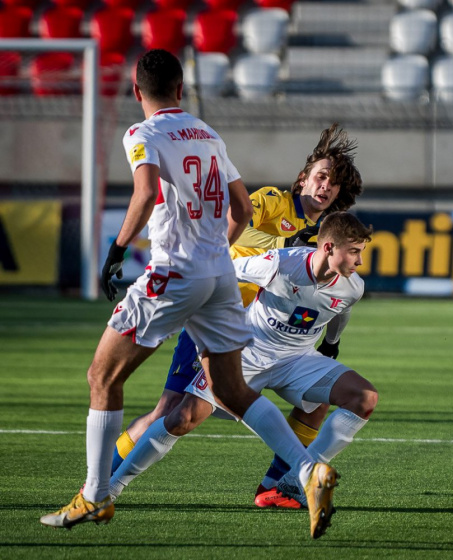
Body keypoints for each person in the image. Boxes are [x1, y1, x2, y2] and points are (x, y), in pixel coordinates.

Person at [40, 50, 337, 540]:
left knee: (102, 375)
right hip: (219, 274)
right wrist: (215, 250)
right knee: (232, 392)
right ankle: (309, 472)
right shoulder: (207, 133)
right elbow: (240, 206)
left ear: (138, 92)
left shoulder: (142, 133)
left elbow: (145, 193)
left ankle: (95, 496)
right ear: (180, 88)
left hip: (173, 272)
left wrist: (115, 252)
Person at [107, 124, 364, 510]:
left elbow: (340, 296)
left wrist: (330, 342)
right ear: (303, 178)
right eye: (320, 176)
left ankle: (276, 486)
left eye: (333, 183)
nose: (325, 186)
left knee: (315, 403)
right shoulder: (274, 202)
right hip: (217, 318)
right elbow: (232, 222)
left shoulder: (329, 238)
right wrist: (282, 244)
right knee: (171, 413)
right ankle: (102, 482)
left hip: (265, 338)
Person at [109, 212, 377, 539]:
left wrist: (332, 344)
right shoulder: (279, 264)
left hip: (298, 360)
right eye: (354, 251)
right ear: (329, 246)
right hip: (247, 353)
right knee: (182, 417)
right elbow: (222, 271)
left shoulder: (354, 287)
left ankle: (294, 483)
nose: (360, 261)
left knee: (363, 398)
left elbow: (340, 310)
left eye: (361, 252)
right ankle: (110, 490)